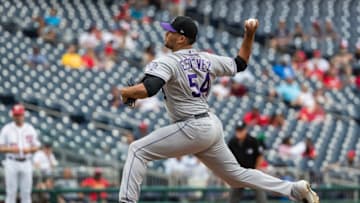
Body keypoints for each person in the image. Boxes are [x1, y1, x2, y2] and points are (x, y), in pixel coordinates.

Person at [117, 16, 319, 203]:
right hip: (210, 125)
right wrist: (249, 35)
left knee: (137, 150)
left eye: (170, 31)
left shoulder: (167, 61)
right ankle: (295, 189)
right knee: (236, 176)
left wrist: (125, 91)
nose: (166, 34)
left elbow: (149, 88)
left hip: (191, 126)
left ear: (181, 39)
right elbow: (240, 63)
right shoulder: (207, 58)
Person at [0, 104, 41, 203]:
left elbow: (37, 146)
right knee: (11, 193)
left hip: (26, 162)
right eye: (16, 115)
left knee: (26, 193)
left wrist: (30, 150)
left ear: (23, 115)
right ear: (13, 116)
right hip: (11, 161)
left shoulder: (30, 128)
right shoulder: (7, 129)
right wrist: (11, 149)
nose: (18, 117)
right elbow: (0, 147)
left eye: (19, 115)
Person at [228, 122, 268, 203]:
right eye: (238, 130)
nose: (239, 132)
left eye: (241, 130)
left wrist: (256, 169)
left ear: (245, 130)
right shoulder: (232, 142)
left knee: (260, 194)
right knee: (233, 197)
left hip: (251, 171)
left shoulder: (252, 141)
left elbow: (260, 156)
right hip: (238, 173)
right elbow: (228, 157)